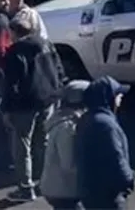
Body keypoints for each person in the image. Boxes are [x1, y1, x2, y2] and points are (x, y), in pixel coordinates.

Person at [2, 17, 64, 201]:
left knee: (22, 146)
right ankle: (46, 181)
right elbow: (58, 69)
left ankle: (25, 188)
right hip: (47, 100)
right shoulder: (46, 44)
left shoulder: (15, 52)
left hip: (24, 105)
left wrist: (7, 109)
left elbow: (12, 83)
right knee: (43, 141)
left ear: (14, 32)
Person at [76, 77, 135, 210]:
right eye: (118, 95)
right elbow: (116, 157)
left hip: (91, 191)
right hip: (109, 195)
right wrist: (129, 178)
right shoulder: (105, 125)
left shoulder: (87, 119)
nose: (120, 100)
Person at [39, 79, 89, 209]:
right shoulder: (67, 128)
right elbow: (69, 164)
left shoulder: (65, 121)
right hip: (63, 191)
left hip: (59, 188)